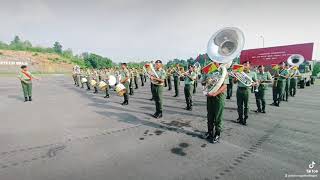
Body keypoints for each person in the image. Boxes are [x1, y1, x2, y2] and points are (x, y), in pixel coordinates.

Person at [201, 62, 228, 144]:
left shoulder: (223, 71)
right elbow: (203, 83)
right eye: (212, 60)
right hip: (209, 96)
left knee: (218, 116)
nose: (213, 62)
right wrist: (205, 80)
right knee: (210, 115)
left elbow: (225, 86)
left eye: (215, 60)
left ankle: (217, 134)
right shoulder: (209, 71)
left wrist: (215, 93)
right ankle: (210, 132)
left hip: (219, 97)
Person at [234, 61, 256, 125]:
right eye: (244, 64)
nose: (246, 65)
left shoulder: (253, 73)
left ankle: (245, 118)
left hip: (247, 90)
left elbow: (256, 82)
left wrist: (254, 83)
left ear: (249, 66)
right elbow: (234, 82)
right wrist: (236, 77)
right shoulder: (239, 72)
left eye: (247, 64)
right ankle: (240, 118)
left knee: (246, 105)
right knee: (239, 105)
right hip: (239, 90)